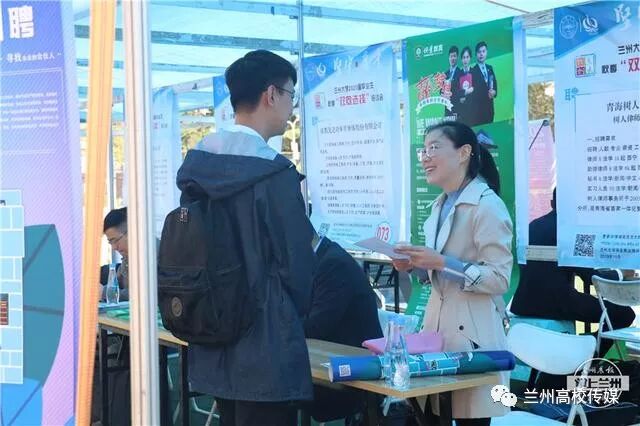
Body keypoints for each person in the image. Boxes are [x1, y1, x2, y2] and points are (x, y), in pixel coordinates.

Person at [177, 50, 316, 426]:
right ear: (271, 94)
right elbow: (297, 264)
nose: (291, 107)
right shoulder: (274, 173)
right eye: (291, 95)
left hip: (212, 335)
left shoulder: (198, 167)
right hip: (266, 344)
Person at [394, 121, 512, 425]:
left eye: (434, 148)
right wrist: (415, 266)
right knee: (432, 416)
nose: (425, 157)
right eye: (423, 150)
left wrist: (441, 262)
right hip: (437, 336)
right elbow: (438, 275)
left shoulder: (487, 206)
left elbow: (500, 278)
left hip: (473, 339)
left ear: (463, 153)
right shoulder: (438, 206)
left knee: (470, 416)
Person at [510, 188, 636, 357]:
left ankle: (581, 351)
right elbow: (591, 278)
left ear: (552, 204)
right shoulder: (577, 231)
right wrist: (621, 274)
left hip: (523, 302)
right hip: (558, 302)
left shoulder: (532, 226)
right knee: (624, 314)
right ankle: (587, 358)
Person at [304, 233, 383, 423]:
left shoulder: (333, 264)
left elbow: (316, 326)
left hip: (354, 375)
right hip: (328, 364)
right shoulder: (324, 257)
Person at [100, 207, 129, 301]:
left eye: (115, 240)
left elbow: (142, 295)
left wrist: (103, 292)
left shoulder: (153, 255)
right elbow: (116, 283)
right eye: (110, 242)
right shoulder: (128, 258)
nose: (114, 247)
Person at [470, 41, 498, 126]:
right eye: (479, 52)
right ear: (476, 54)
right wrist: (486, 94)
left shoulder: (490, 68)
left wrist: (494, 92)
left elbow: (495, 85)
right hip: (478, 112)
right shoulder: (472, 71)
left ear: (486, 52)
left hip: (490, 110)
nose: (481, 54)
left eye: (483, 51)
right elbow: (473, 93)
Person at [454, 46, 476, 127]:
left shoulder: (475, 72)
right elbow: (455, 91)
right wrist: (464, 93)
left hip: (474, 109)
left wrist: (473, 90)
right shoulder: (458, 73)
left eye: (467, 57)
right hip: (462, 111)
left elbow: (478, 89)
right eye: (463, 57)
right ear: (461, 59)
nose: (465, 60)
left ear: (470, 58)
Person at [444, 46, 461, 118]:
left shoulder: (461, 73)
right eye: (451, 56)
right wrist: (443, 93)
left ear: (457, 57)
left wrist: (451, 93)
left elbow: (461, 91)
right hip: (447, 110)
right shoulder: (445, 74)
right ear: (449, 58)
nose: (452, 58)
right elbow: (441, 90)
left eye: (454, 56)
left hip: (457, 109)